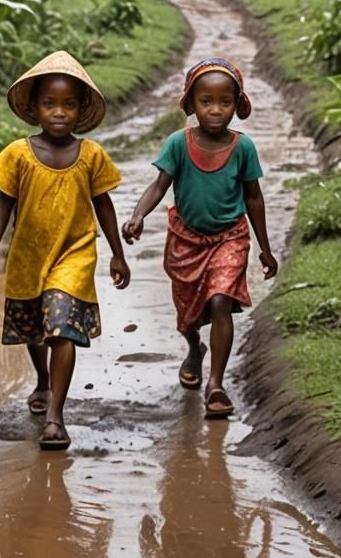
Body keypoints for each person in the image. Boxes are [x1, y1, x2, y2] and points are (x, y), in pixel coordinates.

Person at [0, 50, 130, 450]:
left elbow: (104, 205)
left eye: (68, 105)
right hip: (29, 254)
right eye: (50, 104)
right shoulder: (17, 154)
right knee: (35, 329)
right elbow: (3, 204)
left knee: (60, 328)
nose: (59, 113)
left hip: (75, 254)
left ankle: (55, 416)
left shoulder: (92, 156)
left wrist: (117, 253)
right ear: (35, 107)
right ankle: (43, 380)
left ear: (80, 110)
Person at [122, 58, 277, 419]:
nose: (215, 110)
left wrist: (265, 250)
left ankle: (216, 384)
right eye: (206, 101)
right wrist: (137, 215)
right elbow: (159, 184)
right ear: (190, 104)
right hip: (186, 243)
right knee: (189, 317)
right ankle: (195, 350)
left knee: (221, 301)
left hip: (230, 238)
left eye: (225, 102)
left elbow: (254, 198)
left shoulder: (243, 148)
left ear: (237, 105)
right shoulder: (178, 143)